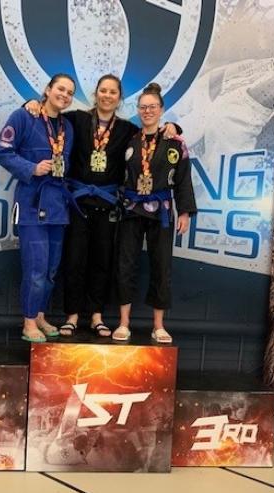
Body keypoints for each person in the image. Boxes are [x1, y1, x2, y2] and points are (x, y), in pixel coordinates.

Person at [25, 75, 179, 338]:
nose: (107, 96)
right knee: (74, 260)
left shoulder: (127, 130)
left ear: (119, 98)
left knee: (102, 261)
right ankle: (72, 315)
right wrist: (31, 103)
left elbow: (151, 136)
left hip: (108, 205)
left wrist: (173, 127)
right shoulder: (76, 119)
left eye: (113, 92)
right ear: (96, 94)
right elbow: (50, 116)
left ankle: (96, 315)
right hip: (77, 203)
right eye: (103, 91)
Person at [0, 74, 76, 342]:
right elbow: (2, 152)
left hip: (58, 205)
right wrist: (32, 168)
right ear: (48, 89)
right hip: (31, 204)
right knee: (36, 268)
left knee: (51, 270)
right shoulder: (24, 116)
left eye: (70, 92)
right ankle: (28, 322)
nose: (64, 95)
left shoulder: (67, 127)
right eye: (60, 89)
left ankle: (40, 315)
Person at [113, 83, 196, 344]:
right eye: (143, 107)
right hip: (131, 208)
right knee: (125, 264)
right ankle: (123, 323)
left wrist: (185, 211)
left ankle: (158, 325)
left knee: (162, 266)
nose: (147, 111)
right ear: (138, 110)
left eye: (152, 107)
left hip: (162, 211)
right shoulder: (129, 139)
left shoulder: (175, 142)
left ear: (161, 110)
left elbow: (183, 179)